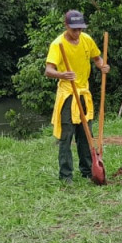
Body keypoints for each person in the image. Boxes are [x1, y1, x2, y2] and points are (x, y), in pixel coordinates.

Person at [44, 10, 109, 183]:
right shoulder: (58, 44)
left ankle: (88, 170)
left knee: (86, 133)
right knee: (67, 135)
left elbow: (97, 58)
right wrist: (62, 74)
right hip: (67, 94)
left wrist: (102, 66)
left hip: (83, 92)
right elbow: (48, 70)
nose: (77, 33)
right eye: (74, 29)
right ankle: (66, 175)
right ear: (66, 26)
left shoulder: (86, 39)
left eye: (80, 28)